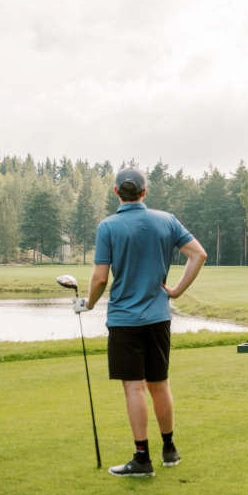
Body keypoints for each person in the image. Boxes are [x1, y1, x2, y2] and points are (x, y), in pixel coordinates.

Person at [73, 167, 207, 477]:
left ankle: (142, 460)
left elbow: (100, 277)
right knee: (159, 384)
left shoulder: (108, 226)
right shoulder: (166, 220)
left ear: (116, 192)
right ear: (144, 192)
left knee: (134, 387)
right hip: (159, 317)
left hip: (124, 319)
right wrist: (175, 290)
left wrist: (89, 304)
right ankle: (169, 450)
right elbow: (198, 255)